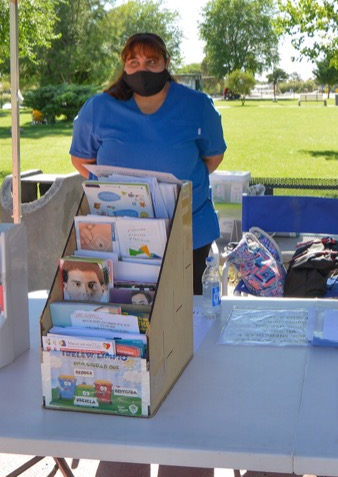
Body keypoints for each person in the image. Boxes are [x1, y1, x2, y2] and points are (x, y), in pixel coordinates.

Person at [70, 32, 227, 295]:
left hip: (189, 231)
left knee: (189, 313)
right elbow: (81, 159)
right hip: (120, 235)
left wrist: (175, 188)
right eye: (134, 63)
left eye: (151, 62)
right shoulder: (98, 108)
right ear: (124, 67)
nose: (142, 69)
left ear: (166, 62)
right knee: (131, 308)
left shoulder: (197, 105)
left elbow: (213, 156)